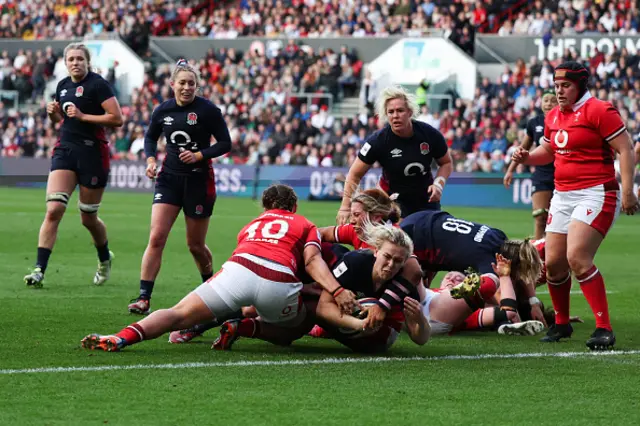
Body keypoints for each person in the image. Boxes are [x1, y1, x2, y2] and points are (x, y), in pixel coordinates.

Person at [81, 184, 359, 352]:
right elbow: (312, 260)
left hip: (239, 269)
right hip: (278, 284)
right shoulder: (305, 224)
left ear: (263, 207)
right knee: (298, 326)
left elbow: (252, 260)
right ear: (295, 206)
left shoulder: (249, 226)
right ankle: (244, 327)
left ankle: (121, 337)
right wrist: (334, 290)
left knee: (178, 314)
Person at [511, 61, 639, 350]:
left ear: (580, 85)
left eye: (565, 86)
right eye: (556, 86)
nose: (559, 91)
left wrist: (628, 189)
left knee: (578, 258)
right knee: (554, 265)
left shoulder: (600, 110)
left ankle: (604, 328)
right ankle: (561, 323)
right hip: (563, 194)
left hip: (597, 192)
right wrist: (527, 157)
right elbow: (548, 151)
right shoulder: (554, 115)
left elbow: (625, 148)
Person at [212, 222, 430, 353]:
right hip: (347, 322)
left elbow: (420, 338)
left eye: (398, 261)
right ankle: (237, 325)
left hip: (376, 341)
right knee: (301, 314)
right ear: (375, 251)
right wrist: (359, 322)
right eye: (387, 257)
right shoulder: (355, 263)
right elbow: (324, 307)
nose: (391, 265)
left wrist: (418, 319)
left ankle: (239, 318)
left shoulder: (405, 283)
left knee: (304, 312)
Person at [128, 59, 231, 315]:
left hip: (199, 181)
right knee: (156, 237)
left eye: (191, 84)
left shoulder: (208, 110)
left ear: (197, 86)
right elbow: (151, 137)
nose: (186, 88)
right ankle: (144, 297)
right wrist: (151, 160)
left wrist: (199, 156)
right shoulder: (162, 110)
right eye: (182, 83)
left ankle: (210, 289)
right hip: (169, 179)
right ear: (172, 84)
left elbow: (225, 143)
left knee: (195, 245)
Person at [23, 43, 123, 288]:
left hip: (93, 153)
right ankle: (39, 270)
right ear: (65, 63)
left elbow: (117, 118)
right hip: (65, 150)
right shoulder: (63, 85)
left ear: (87, 62)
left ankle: (104, 258)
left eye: (79, 58)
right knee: (54, 208)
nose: (75, 62)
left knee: (88, 218)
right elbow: (62, 119)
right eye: (71, 59)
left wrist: (82, 116)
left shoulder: (98, 85)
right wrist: (52, 113)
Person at [400, 209, 546, 325]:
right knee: (404, 283)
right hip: (415, 236)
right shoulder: (488, 262)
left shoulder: (498, 236)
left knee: (422, 279)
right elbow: (499, 298)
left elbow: (519, 271)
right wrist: (514, 313)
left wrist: (533, 302)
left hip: (425, 218)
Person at [336, 85, 453, 224]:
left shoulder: (429, 134)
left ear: (410, 112)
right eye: (390, 112)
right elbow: (354, 174)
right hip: (393, 199)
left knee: (432, 237)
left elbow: (446, 163)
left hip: (426, 198)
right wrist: (344, 206)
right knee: (402, 236)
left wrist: (439, 184)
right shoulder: (378, 141)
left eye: (400, 111)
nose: (395, 116)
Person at [504, 89, 558, 239]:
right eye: (546, 100)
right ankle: (538, 258)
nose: (549, 104)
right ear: (540, 103)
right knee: (540, 218)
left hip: (562, 176)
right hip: (541, 176)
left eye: (553, 100)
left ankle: (554, 258)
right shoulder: (534, 123)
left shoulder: (566, 121)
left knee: (557, 223)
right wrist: (510, 170)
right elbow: (522, 149)